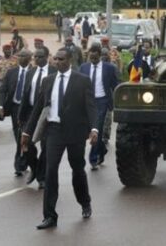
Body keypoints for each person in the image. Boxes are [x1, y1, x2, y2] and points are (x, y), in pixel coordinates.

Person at [21, 48, 97, 230]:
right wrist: (27, 132)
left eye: (61, 59)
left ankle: (84, 201)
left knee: (77, 169)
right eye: (55, 59)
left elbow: (90, 107)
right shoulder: (48, 81)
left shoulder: (82, 81)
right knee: (50, 171)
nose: (57, 61)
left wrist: (94, 128)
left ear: (69, 60)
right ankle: (50, 216)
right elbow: (38, 108)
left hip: (76, 132)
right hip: (54, 131)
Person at [20, 47, 56, 188]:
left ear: (47, 57)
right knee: (26, 144)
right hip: (30, 112)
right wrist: (21, 115)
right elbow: (25, 94)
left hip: (47, 114)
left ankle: (42, 176)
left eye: (40, 57)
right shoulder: (31, 72)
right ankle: (34, 168)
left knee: (46, 146)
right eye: (35, 57)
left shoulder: (54, 72)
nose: (37, 59)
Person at [79, 46, 119, 169]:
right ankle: (102, 150)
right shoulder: (83, 68)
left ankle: (93, 158)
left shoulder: (109, 68)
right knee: (88, 128)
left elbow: (115, 85)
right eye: (91, 57)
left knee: (97, 129)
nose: (93, 59)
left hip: (102, 101)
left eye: (95, 57)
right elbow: (78, 85)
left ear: (100, 55)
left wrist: (115, 103)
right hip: (88, 102)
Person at [0, 49, 32, 177]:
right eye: (19, 56)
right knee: (18, 134)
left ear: (29, 58)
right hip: (15, 108)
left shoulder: (33, 73)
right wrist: (0, 105)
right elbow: (2, 90)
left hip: (29, 109)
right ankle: (22, 161)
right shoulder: (11, 72)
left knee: (26, 134)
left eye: (23, 56)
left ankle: (20, 163)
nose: (20, 58)